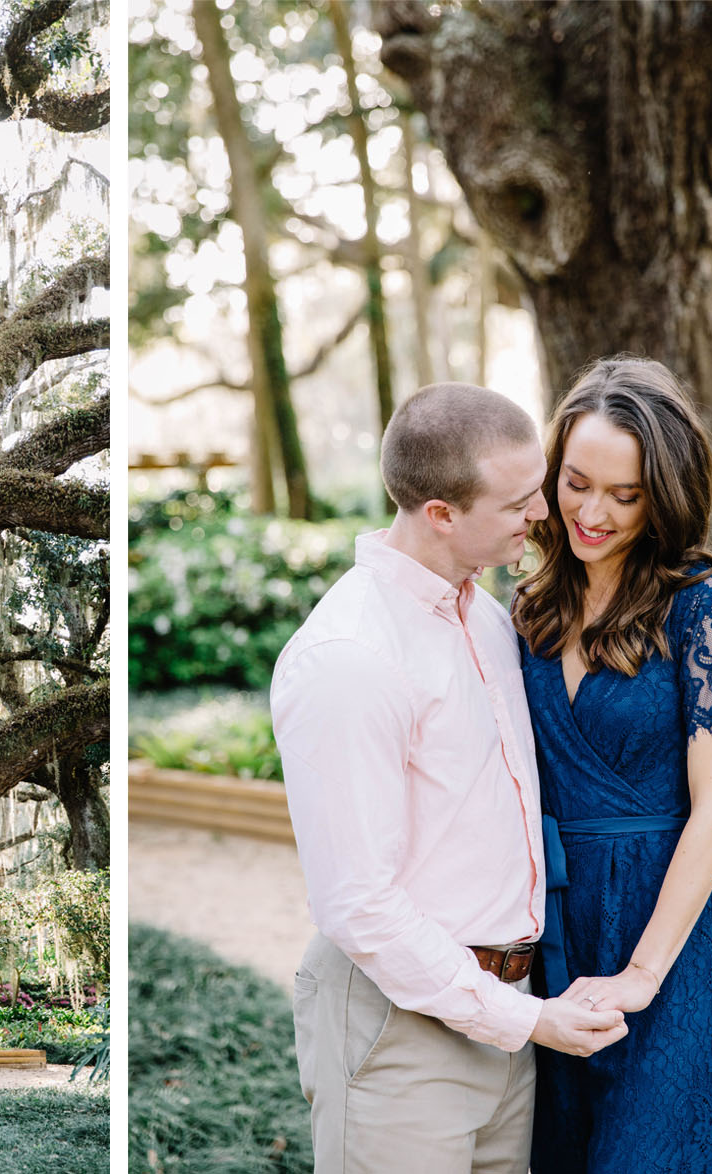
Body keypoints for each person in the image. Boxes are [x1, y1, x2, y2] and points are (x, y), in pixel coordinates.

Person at [271, 382, 629, 1174]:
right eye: (517, 503)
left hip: (508, 1013)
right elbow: (357, 903)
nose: (543, 513)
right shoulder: (350, 659)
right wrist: (524, 1019)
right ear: (440, 513)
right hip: (399, 1031)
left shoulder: (488, 619)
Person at [510, 356, 712, 1173]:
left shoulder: (705, 606)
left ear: (666, 495)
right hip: (559, 927)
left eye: (626, 495)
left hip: (674, 937)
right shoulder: (530, 605)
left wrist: (644, 972)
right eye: (577, 483)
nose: (593, 512)